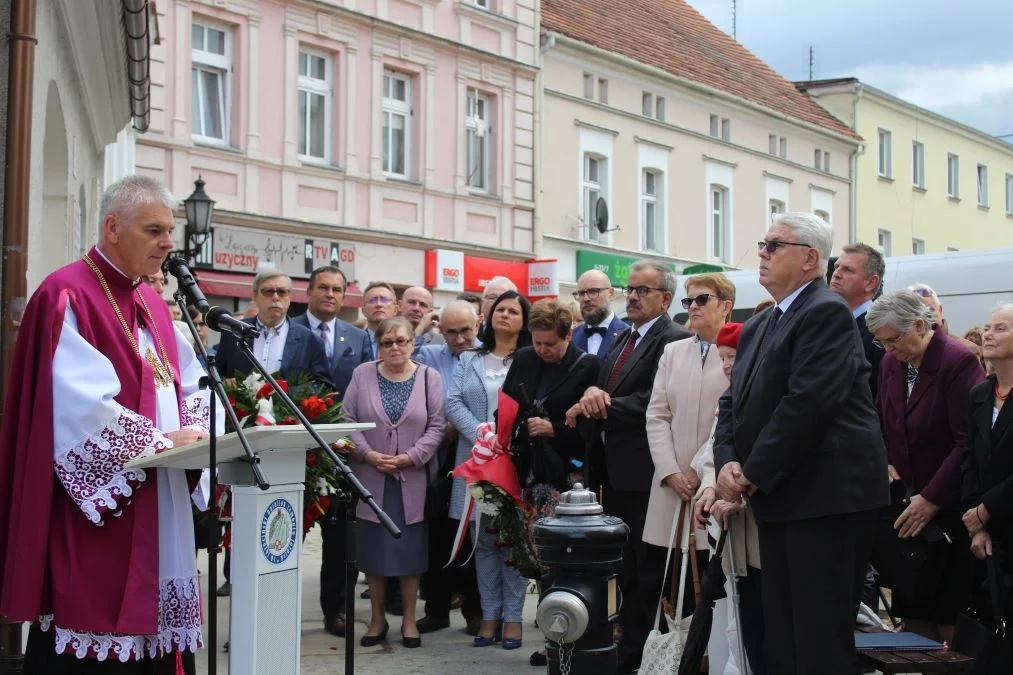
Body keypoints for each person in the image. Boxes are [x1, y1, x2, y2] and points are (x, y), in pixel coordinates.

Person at [0, 175, 218, 673]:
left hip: (160, 495)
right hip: (101, 512)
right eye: (155, 230)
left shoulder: (154, 306)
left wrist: (199, 433)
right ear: (113, 227)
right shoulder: (66, 294)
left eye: (171, 230)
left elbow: (193, 383)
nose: (168, 243)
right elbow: (78, 406)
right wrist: (163, 441)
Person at [713, 212, 889, 675]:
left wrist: (751, 472)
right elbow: (732, 403)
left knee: (818, 639)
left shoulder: (825, 311)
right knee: (784, 636)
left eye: (775, 246)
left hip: (826, 499)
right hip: (782, 495)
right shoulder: (761, 323)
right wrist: (727, 461)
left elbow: (807, 405)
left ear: (810, 258)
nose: (763, 254)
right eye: (763, 244)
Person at [565, 260, 690, 674]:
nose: (633, 296)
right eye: (630, 288)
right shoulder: (622, 341)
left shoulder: (673, 339)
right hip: (615, 474)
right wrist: (589, 398)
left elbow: (657, 402)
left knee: (649, 569)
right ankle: (629, 644)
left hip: (648, 473)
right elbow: (602, 390)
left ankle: (644, 651)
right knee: (628, 569)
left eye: (644, 290)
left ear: (666, 299)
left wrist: (605, 405)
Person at [867, 289, 984, 642]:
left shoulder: (958, 361)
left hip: (949, 507)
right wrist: (885, 458)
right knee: (914, 613)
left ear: (919, 325)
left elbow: (968, 441)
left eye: (894, 340)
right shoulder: (892, 363)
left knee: (951, 619)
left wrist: (932, 498)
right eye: (881, 344)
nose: (889, 350)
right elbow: (880, 418)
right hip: (908, 503)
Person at [500, 299, 602, 667]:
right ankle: (551, 631)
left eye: (550, 344)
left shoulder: (587, 365)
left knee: (565, 558)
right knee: (539, 559)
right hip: (529, 473)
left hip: (567, 478)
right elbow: (507, 406)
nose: (542, 351)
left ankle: (571, 630)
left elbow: (592, 428)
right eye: (537, 342)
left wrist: (554, 429)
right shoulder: (526, 358)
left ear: (568, 334)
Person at [343, 317, 447, 649]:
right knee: (373, 554)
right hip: (371, 478)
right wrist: (368, 454)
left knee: (410, 553)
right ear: (378, 345)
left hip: (412, 480)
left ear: (413, 343)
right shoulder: (362, 374)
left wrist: (410, 457)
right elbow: (345, 420)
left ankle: (409, 621)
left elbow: (437, 426)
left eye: (401, 341)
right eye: (387, 342)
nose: (394, 348)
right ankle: (377, 620)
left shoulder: (429, 377)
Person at [642, 273, 735, 637]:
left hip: (712, 482)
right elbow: (657, 413)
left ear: (725, 306)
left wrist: (700, 470)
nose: (692, 307)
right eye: (688, 301)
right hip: (671, 483)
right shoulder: (673, 350)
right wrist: (669, 470)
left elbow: (730, 419)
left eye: (702, 300)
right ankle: (672, 654)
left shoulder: (739, 347)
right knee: (668, 580)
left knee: (708, 578)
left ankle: (706, 657)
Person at [446, 290, 531, 649]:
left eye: (513, 310)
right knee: (482, 543)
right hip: (475, 459)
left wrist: (505, 437)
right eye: (500, 309)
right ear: (488, 316)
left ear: (524, 320)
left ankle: (512, 619)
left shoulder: (527, 359)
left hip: (512, 460)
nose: (505, 315)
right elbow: (452, 401)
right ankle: (489, 616)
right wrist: (481, 432)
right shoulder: (469, 358)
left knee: (511, 541)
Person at [291, 265, 371, 637]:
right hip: (294, 446)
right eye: (323, 287)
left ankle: (335, 610)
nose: (330, 294)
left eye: (337, 289)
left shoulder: (357, 337)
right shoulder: (287, 330)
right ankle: (274, 608)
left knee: (340, 537)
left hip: (341, 451)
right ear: (308, 292)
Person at [694, 322, 766, 675]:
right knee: (733, 625)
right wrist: (709, 487)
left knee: (757, 626)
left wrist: (735, 493)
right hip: (726, 534)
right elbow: (713, 453)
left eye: (733, 356)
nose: (726, 365)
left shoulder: (760, 393)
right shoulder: (731, 394)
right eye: (722, 357)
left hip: (757, 528)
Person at [414, 301, 484, 636]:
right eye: (451, 332)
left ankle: (474, 610)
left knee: (472, 536)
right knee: (439, 536)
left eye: (465, 330)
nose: (459, 339)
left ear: (478, 324)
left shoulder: (489, 357)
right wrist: (418, 331)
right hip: (438, 457)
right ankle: (437, 609)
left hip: (476, 455)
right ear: (440, 331)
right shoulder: (428, 356)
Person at [960, 303, 1013, 673]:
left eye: (1002, 328)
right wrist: (975, 518)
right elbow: (970, 457)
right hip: (988, 532)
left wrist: (987, 509)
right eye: (988, 327)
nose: (989, 333)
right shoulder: (980, 395)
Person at [215, 269, 332, 387]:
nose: (275, 297)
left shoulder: (309, 341)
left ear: (290, 297)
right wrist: (226, 384)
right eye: (268, 291)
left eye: (282, 292)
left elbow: (323, 386)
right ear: (255, 296)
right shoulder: (233, 333)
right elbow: (215, 375)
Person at [830, 242, 885, 399]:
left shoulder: (880, 332)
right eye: (836, 267)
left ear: (871, 282)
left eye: (848, 270)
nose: (836, 274)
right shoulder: (831, 324)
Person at [570, 269, 627, 359]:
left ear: (611, 293)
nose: (586, 299)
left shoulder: (628, 336)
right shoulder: (571, 337)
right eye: (581, 293)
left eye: (593, 291)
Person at [362, 281, 399, 358]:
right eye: (373, 300)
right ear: (363, 311)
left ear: (395, 310)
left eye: (384, 300)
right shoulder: (355, 342)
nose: (378, 304)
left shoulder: (403, 342)